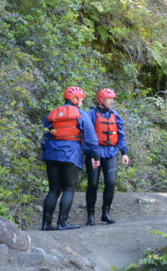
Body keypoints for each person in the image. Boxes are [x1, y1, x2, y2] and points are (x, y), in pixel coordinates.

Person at [40, 86, 100, 230]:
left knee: (53, 189)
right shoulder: (81, 114)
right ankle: (62, 223)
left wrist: (48, 151)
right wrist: (95, 155)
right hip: (70, 155)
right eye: (81, 100)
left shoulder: (52, 113)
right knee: (68, 189)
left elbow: (44, 137)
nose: (82, 103)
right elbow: (91, 138)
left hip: (51, 154)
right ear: (75, 99)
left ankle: (46, 224)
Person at [85, 88, 129, 225]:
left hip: (111, 153)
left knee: (110, 182)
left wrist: (124, 152)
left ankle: (106, 213)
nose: (112, 101)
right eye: (109, 99)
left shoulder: (115, 115)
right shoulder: (91, 115)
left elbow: (120, 135)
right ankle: (90, 215)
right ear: (100, 100)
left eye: (113, 99)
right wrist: (91, 153)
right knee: (93, 184)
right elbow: (86, 136)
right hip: (94, 153)